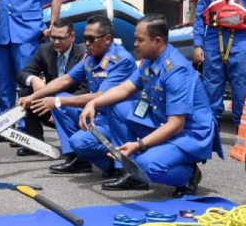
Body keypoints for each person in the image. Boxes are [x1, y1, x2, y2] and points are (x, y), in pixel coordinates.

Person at [81, 14, 220, 197]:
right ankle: (132, 172)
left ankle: (189, 175)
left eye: (140, 40)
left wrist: (138, 145)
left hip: (189, 133)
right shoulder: (149, 59)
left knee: (147, 164)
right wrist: (94, 102)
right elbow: (124, 89)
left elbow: (177, 124)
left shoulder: (176, 70)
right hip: (163, 122)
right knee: (117, 107)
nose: (135, 44)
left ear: (157, 41)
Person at [19, 16, 136, 176]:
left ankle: (118, 165)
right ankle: (78, 160)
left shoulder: (121, 60)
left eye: (91, 39)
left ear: (107, 39)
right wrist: (32, 97)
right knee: (59, 98)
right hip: (96, 115)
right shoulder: (90, 57)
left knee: (78, 139)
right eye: (85, 38)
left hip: (116, 121)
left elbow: (101, 95)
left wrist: (58, 101)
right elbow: (66, 79)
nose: (86, 43)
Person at [15, 19, 87, 157]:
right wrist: (34, 79)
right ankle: (34, 142)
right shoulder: (45, 50)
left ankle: (75, 151)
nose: (56, 41)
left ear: (72, 37)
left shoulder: (83, 54)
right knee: (26, 91)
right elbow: (23, 74)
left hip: (72, 108)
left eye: (61, 38)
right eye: (53, 37)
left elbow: (84, 89)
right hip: (48, 107)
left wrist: (60, 105)